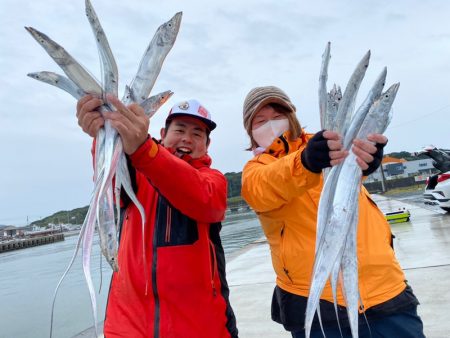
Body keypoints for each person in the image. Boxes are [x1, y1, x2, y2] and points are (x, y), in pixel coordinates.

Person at [240, 86, 425, 338]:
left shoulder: (331, 141)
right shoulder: (257, 168)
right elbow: (261, 188)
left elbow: (357, 162)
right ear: (250, 131)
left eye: (276, 116)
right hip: (318, 305)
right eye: (260, 121)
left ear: (291, 115)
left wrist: (367, 158)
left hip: (386, 291)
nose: (270, 125)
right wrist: (306, 161)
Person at [76, 94, 238, 338]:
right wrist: (103, 133)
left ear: (207, 144)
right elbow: (110, 185)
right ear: (163, 133)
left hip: (202, 329)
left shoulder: (213, 180)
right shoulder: (135, 171)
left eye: (197, 134)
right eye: (180, 129)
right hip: (126, 328)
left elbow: (206, 201)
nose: (187, 138)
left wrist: (144, 149)